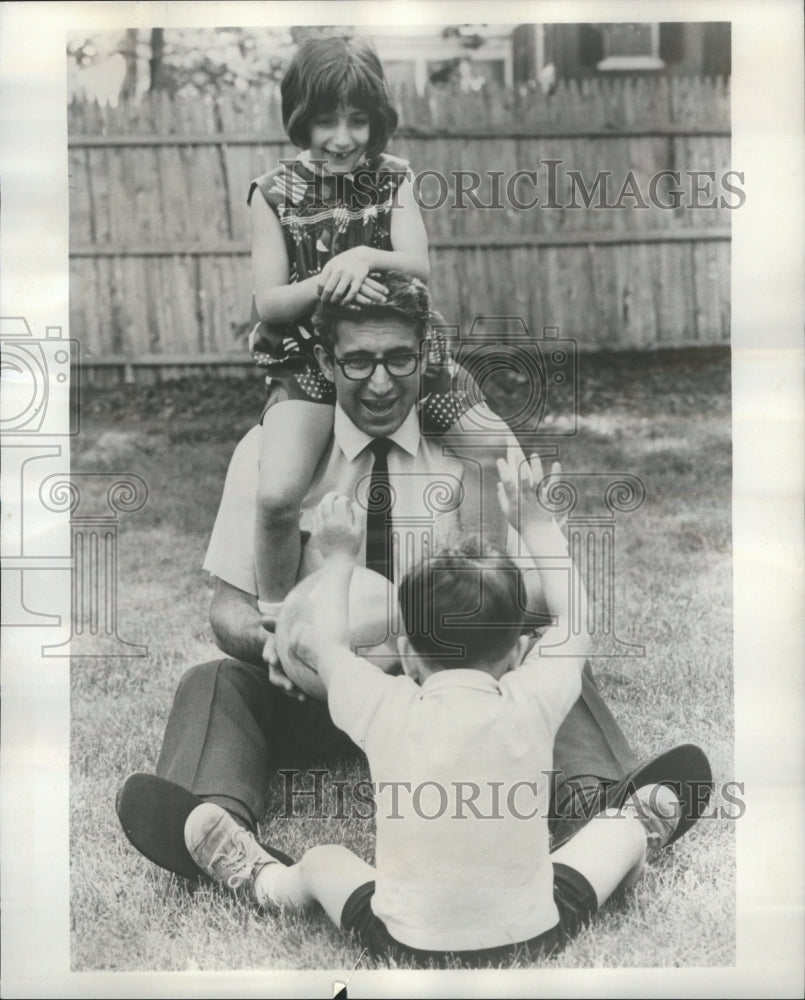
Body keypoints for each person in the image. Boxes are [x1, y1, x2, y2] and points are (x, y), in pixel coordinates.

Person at [116, 272, 707, 882]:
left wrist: (445, 630)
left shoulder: (471, 449)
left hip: (449, 703)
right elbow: (227, 610)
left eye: (399, 359)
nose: (380, 382)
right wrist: (274, 645)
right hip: (312, 693)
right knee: (213, 682)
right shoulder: (272, 454)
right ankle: (214, 829)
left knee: (551, 662)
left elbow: (533, 601)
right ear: (325, 359)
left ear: (426, 354)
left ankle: (600, 811)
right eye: (359, 361)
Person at [181, 457, 711, 967]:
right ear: (518, 653)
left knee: (323, 862)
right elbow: (576, 620)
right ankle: (637, 832)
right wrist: (536, 525)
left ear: (406, 655)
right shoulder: (532, 698)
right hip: (537, 929)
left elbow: (330, 647)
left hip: (401, 939)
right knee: (616, 830)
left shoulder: (384, 706)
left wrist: (340, 557)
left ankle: (262, 880)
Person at [246, 34, 504, 614]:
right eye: (326, 121)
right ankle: (275, 619)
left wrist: (367, 257)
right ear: (300, 119)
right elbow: (269, 304)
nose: (343, 138)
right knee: (279, 493)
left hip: (407, 355)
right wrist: (329, 279)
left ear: (378, 121)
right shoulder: (273, 195)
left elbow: (419, 266)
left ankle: (486, 599)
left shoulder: (393, 179)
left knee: (489, 448)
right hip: (312, 363)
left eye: (358, 121)